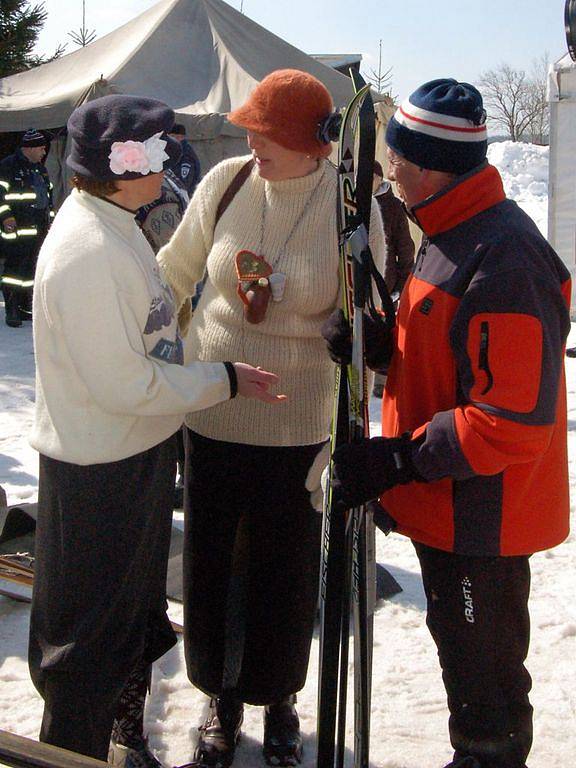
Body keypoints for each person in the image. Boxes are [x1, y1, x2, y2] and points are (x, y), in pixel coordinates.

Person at [27, 94, 283, 768]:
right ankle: (69, 753)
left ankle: (91, 740)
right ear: (126, 163)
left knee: (114, 630)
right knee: (84, 646)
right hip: (99, 473)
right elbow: (124, 383)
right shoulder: (89, 250)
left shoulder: (114, 223)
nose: (171, 162)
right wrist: (220, 379)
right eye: (159, 151)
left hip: (128, 454)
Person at [322, 79, 570, 768]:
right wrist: (382, 345)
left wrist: (398, 460)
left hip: (481, 522)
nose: (387, 170)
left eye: (395, 156)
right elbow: (451, 349)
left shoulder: (506, 260)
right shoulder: (450, 231)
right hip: (449, 504)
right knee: (465, 672)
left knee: (483, 690)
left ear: (426, 164)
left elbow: (508, 421)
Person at [157, 69, 385, 768]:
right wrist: (134, 339)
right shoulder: (226, 181)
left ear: (310, 144)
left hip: (299, 422)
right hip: (214, 409)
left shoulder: (346, 205)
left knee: (285, 570)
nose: (251, 142)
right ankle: (219, 699)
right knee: (212, 562)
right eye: (250, 130)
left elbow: (373, 308)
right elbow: (174, 269)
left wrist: (362, 347)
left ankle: (279, 694)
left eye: (266, 135)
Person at [0, 129, 54, 327]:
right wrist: (6, 217)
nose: (43, 152)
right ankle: (12, 309)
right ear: (29, 148)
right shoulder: (8, 166)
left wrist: (52, 224)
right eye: (41, 148)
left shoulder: (40, 169)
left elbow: (48, 199)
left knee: (32, 269)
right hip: (17, 229)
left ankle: (24, 307)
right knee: (15, 269)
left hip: (39, 229)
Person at [371, 159, 415, 396]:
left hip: (385, 283)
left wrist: (400, 286)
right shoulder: (353, 202)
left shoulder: (393, 207)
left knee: (384, 330)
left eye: (373, 177)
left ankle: (381, 380)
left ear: (380, 179)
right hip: (359, 279)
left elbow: (405, 250)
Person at [168, 122, 201, 198]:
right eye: (171, 136)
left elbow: (184, 184)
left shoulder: (186, 157)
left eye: (177, 137)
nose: (174, 139)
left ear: (182, 137)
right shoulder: (172, 151)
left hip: (184, 198)